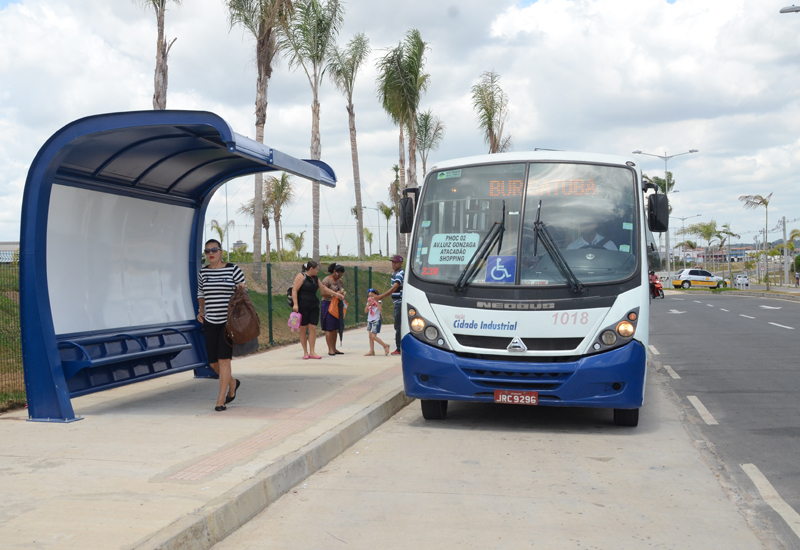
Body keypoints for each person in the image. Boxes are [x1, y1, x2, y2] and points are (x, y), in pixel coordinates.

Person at [197, 239, 245, 412]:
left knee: (224, 360)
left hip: (227, 322)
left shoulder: (233, 269)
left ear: (221, 251)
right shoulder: (203, 272)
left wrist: (241, 288)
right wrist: (201, 310)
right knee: (213, 363)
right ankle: (232, 382)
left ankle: (220, 400)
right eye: (207, 251)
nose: (211, 253)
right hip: (210, 321)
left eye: (214, 250)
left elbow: (243, 292)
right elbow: (201, 293)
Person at [291, 261, 344, 360]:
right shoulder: (301, 276)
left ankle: (312, 351)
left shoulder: (316, 278)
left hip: (314, 305)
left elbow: (323, 288)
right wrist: (295, 304)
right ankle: (305, 352)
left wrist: (336, 294)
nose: (317, 271)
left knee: (313, 328)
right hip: (302, 305)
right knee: (303, 328)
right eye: (316, 269)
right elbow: (294, 290)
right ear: (311, 269)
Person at [376, 255, 404, 355]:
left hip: (400, 303)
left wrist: (381, 296)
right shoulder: (394, 273)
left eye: (395, 262)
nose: (393, 264)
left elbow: (394, 288)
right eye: (392, 262)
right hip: (397, 303)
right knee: (398, 326)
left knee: (398, 326)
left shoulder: (400, 273)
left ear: (401, 263)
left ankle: (399, 348)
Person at [321, 263, 347, 355]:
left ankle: (334, 348)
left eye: (341, 275)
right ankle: (330, 349)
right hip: (328, 304)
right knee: (329, 327)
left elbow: (342, 290)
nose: (339, 277)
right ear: (334, 271)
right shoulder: (326, 280)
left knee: (335, 327)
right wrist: (334, 294)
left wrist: (342, 293)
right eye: (338, 274)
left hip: (337, 305)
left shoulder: (340, 281)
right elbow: (323, 293)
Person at [363, 288, 390, 356]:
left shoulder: (379, 301)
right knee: (370, 336)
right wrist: (369, 304)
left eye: (372, 296)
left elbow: (380, 309)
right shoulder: (369, 303)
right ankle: (372, 351)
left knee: (373, 336)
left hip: (376, 320)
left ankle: (385, 346)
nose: (371, 297)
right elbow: (366, 311)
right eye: (369, 296)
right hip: (370, 320)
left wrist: (377, 301)